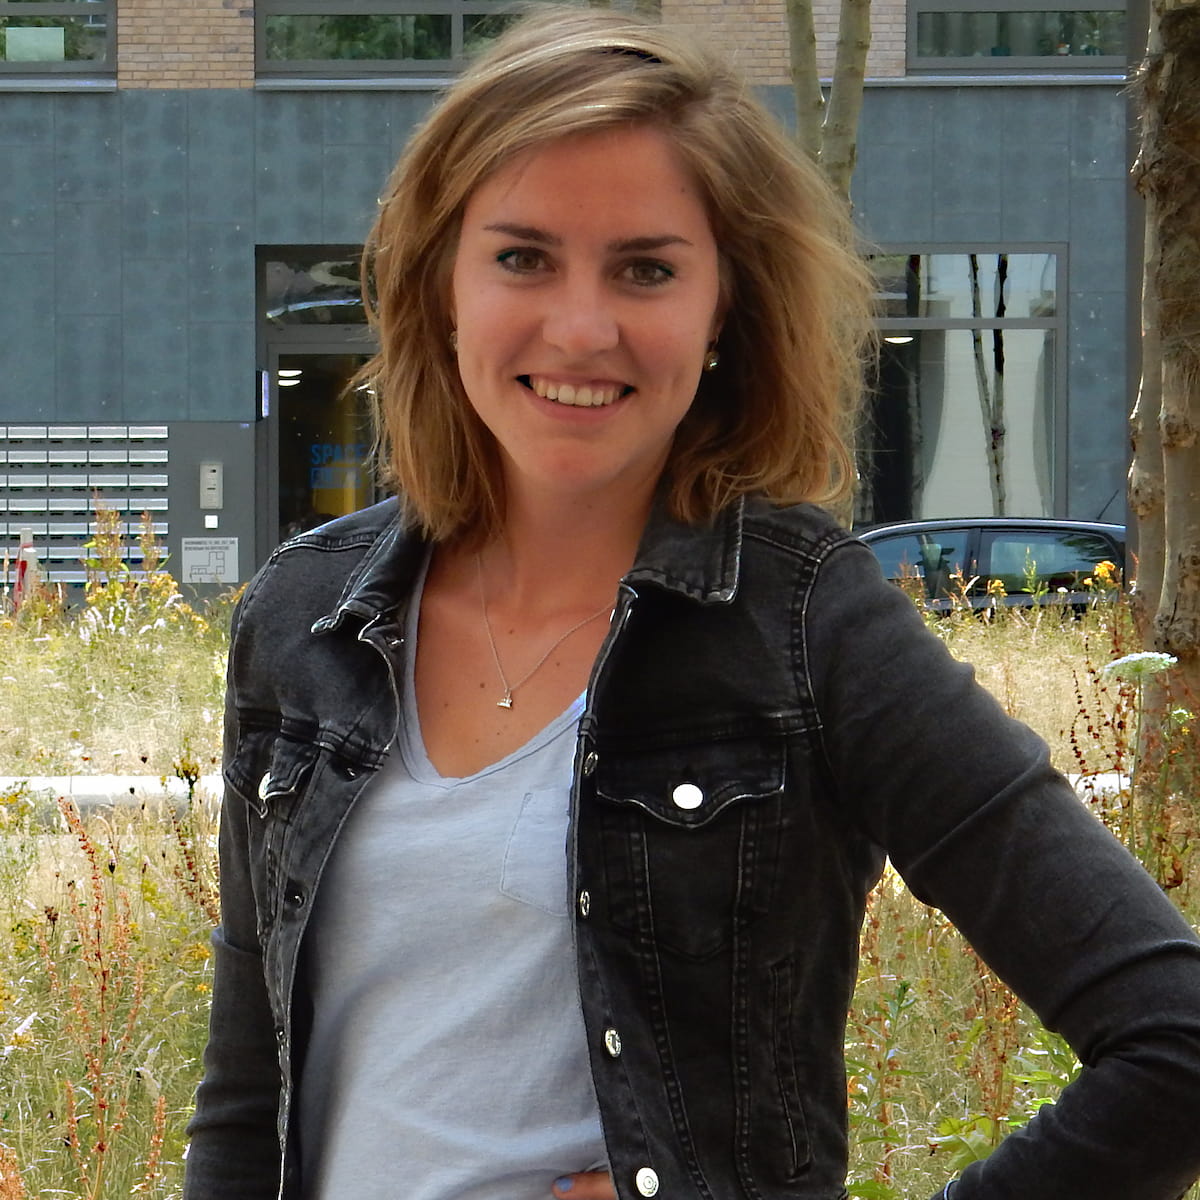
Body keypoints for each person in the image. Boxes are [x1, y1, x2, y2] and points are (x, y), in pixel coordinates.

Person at [183, 9, 1200, 1200]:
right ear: (441, 283)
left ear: (724, 308)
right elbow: (246, 1103)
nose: (581, 327)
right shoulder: (303, 616)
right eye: (522, 257)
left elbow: (1174, 1043)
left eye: (647, 269)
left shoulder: (806, 626)